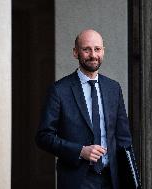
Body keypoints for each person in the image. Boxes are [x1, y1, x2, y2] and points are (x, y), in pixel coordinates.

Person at [35, 29, 132, 189]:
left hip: (112, 179)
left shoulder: (113, 88)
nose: (93, 55)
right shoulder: (59, 90)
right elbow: (43, 136)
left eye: (97, 49)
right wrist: (80, 151)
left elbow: (124, 139)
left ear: (103, 51)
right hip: (77, 180)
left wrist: (129, 179)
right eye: (86, 49)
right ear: (75, 52)